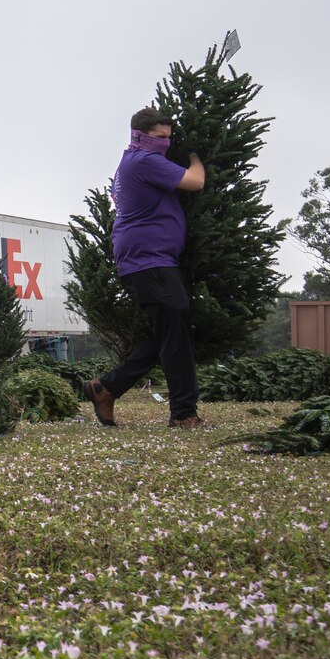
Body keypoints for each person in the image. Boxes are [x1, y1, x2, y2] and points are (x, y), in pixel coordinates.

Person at [86, 107, 208, 429]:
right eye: (160, 138)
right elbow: (195, 181)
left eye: (169, 138)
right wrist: (195, 155)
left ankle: (107, 387)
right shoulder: (144, 160)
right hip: (148, 258)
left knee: (170, 333)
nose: (166, 144)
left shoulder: (132, 160)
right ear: (140, 135)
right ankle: (183, 414)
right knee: (175, 331)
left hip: (147, 258)